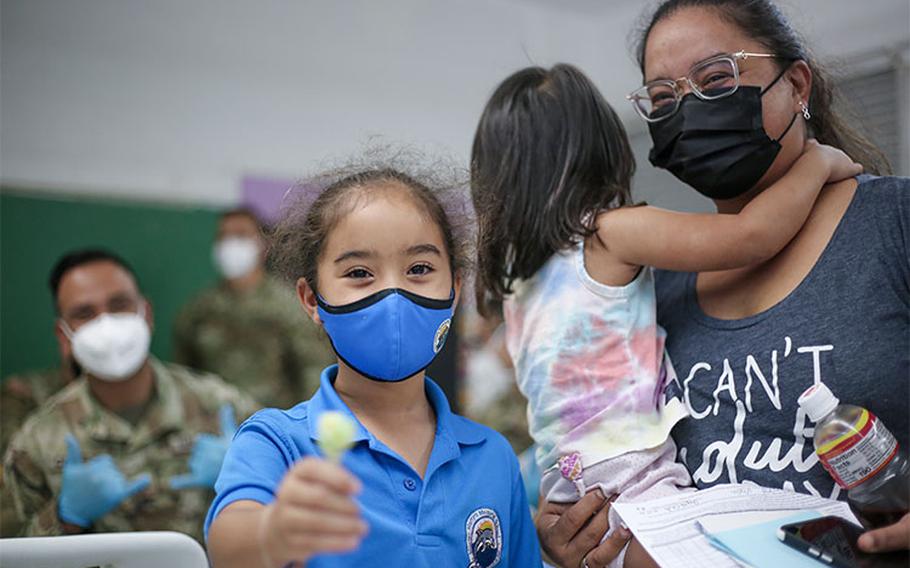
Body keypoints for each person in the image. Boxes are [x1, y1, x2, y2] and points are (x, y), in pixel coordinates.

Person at [533, 1, 910, 566]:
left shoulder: (895, 225)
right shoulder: (653, 290)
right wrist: (580, 537)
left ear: (797, 85)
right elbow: (618, 461)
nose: (689, 110)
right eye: (663, 99)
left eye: (716, 79)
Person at [471, 63, 860, 567]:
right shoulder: (609, 232)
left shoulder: (520, 284)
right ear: (602, 150)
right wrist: (818, 163)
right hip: (626, 467)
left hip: (566, 474)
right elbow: (751, 237)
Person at [205, 163, 542, 567]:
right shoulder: (275, 441)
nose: (392, 294)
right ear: (312, 299)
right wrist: (272, 533)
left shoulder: (493, 457)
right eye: (359, 272)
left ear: (454, 288)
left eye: (419, 269)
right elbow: (230, 545)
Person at [2, 249, 259, 541]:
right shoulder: (36, 444)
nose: (106, 324)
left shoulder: (226, 408)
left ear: (146, 313)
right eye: (84, 313)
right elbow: (10, 552)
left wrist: (245, 476)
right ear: (63, 336)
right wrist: (64, 518)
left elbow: (292, 516)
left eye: (119, 304)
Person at [174, 207, 334, 408]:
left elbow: (312, 373)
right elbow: (184, 378)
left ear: (263, 245)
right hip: (214, 425)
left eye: (240, 235)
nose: (230, 244)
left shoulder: (289, 307)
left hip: (273, 427)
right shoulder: (199, 310)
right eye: (223, 236)